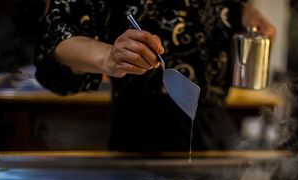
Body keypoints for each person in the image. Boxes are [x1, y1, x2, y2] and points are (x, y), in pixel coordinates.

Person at [35, 0, 275, 152]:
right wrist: (108, 56)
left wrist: (241, 11)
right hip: (141, 128)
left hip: (214, 122)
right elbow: (57, 33)